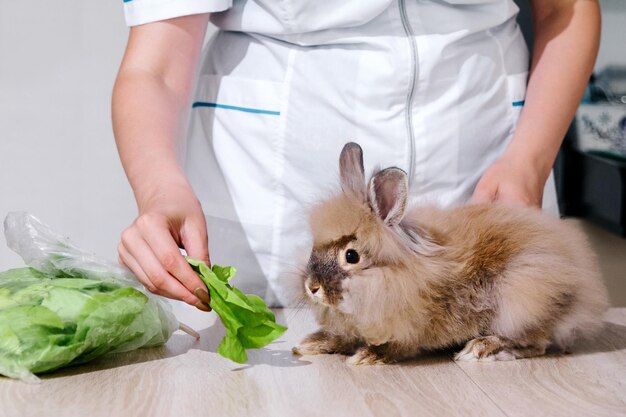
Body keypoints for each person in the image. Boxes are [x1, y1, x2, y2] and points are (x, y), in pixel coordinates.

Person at [112, 0, 600, 311]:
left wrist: (528, 161)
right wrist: (159, 188)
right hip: (270, 181)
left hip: (480, 168)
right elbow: (154, 65)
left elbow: (568, 10)